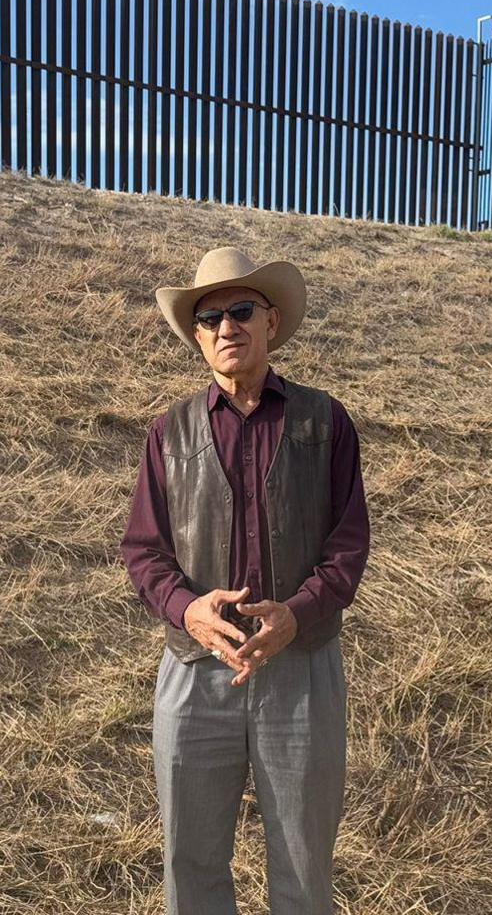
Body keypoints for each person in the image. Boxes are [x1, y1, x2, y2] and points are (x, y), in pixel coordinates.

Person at [121, 245, 372, 915]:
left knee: (302, 861)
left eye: (240, 311)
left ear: (269, 321)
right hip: (196, 670)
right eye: (210, 318)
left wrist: (297, 612)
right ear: (198, 337)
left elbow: (348, 547)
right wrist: (186, 611)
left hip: (302, 670)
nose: (226, 327)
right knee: (191, 862)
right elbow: (144, 551)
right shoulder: (168, 434)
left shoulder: (325, 422)